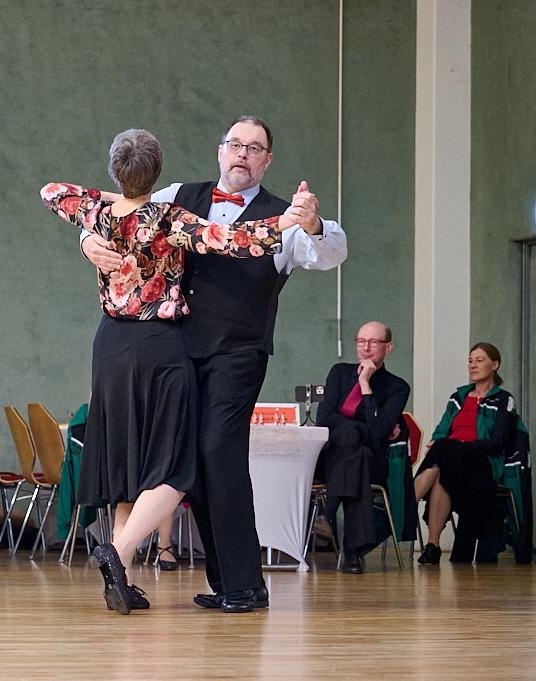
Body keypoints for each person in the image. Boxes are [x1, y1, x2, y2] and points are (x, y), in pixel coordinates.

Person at [81, 115, 347, 613]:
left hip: (237, 354)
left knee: (217, 451)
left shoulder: (282, 219)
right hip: (175, 351)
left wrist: (311, 220)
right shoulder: (180, 195)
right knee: (192, 460)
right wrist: (88, 243)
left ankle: (244, 584)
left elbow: (331, 251)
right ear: (220, 151)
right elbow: (118, 216)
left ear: (267, 160)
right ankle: (226, 582)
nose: (243, 153)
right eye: (235, 144)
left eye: (255, 147)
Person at [42, 128, 296, 614]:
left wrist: (98, 217)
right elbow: (236, 241)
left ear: (117, 170)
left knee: (127, 462)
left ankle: (124, 578)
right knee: (174, 466)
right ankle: (115, 554)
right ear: (158, 173)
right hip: (160, 348)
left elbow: (52, 191)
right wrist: (285, 221)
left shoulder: (94, 208)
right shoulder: (173, 216)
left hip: (110, 345)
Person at [414, 342, 530, 564]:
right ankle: (432, 546)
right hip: (452, 461)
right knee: (442, 465)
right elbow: (441, 431)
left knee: (443, 450)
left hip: (483, 462)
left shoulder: (504, 400)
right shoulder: (457, 398)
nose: (473, 365)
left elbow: (498, 442)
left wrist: (461, 446)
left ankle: (408, 505)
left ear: (495, 365)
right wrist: (440, 443)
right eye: (470, 360)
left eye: (479, 360)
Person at [315, 321, 411, 573]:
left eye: (373, 342)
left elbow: (380, 433)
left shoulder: (397, 387)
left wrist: (366, 385)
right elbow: (323, 415)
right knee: (355, 449)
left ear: (388, 347)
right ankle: (352, 553)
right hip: (333, 457)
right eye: (361, 341)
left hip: (374, 460)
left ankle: (328, 514)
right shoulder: (339, 372)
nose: (366, 347)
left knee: (358, 450)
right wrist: (358, 428)